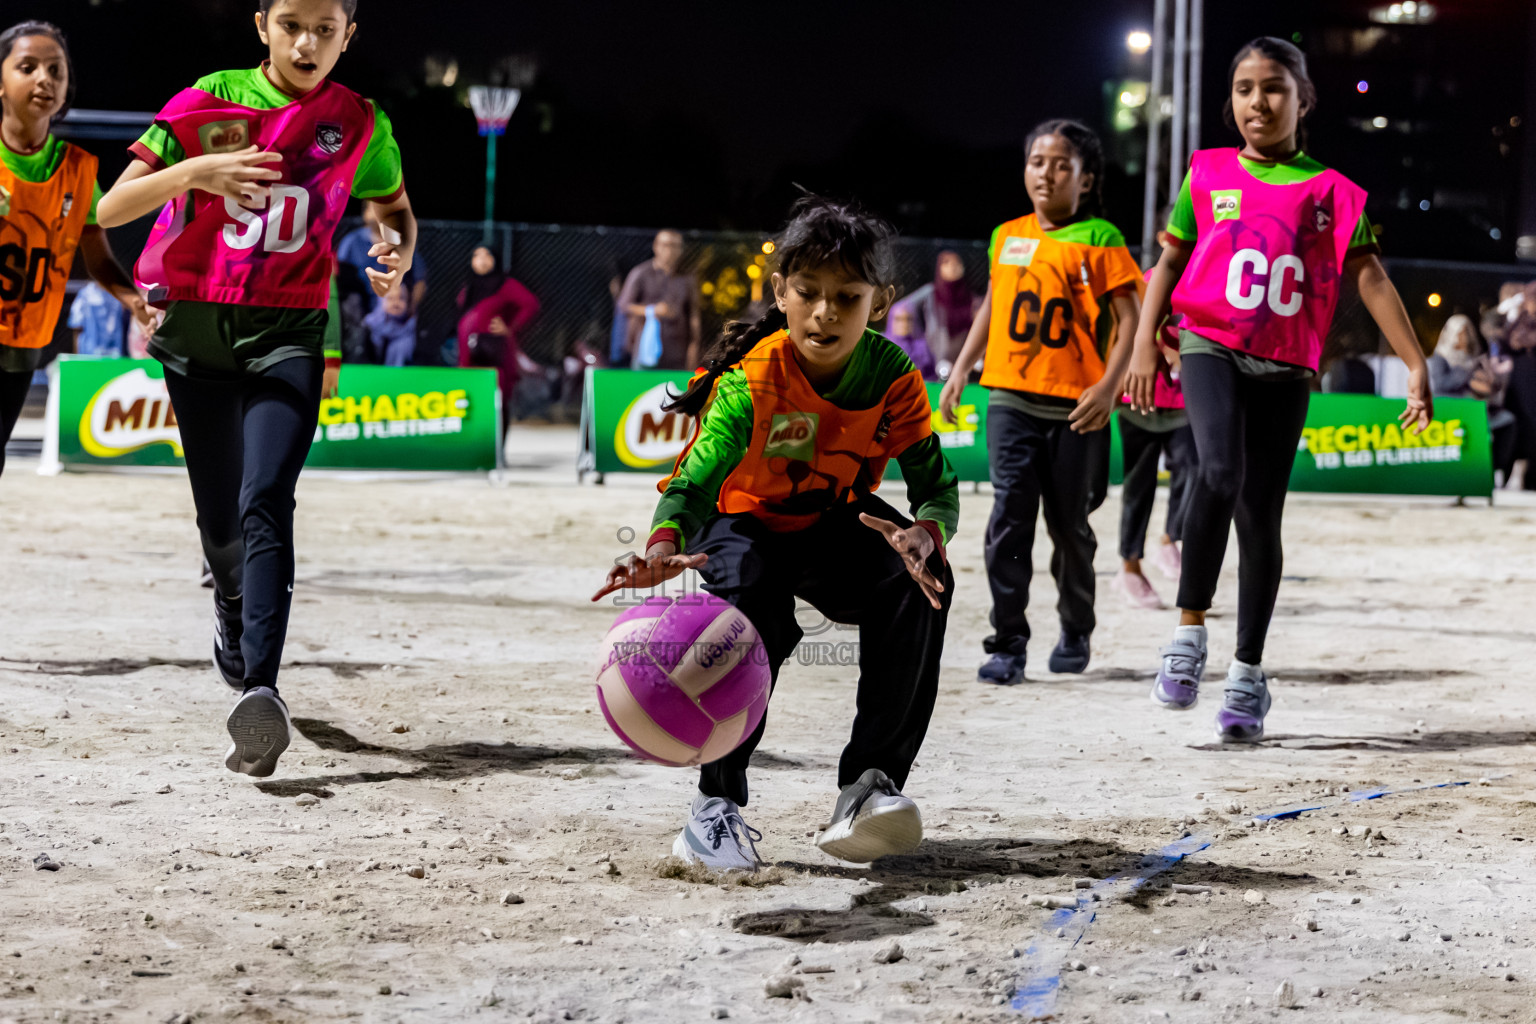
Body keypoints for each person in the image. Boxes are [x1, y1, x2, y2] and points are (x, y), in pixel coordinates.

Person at [97, 0, 416, 777]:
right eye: (292, 26)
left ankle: (261, 690)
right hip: (196, 331)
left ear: (348, 36)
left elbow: (394, 208)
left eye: (326, 30)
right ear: (262, 26)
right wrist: (193, 172)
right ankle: (230, 604)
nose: (308, 43)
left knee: (267, 495)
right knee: (221, 526)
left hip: (291, 331)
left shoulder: (359, 122)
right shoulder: (209, 98)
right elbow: (111, 208)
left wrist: (398, 249)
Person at [592, 195, 958, 870]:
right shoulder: (752, 380)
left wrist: (927, 534)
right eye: (809, 293)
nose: (825, 312)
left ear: (879, 303)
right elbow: (694, 482)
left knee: (920, 579)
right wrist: (663, 545)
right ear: (781, 293)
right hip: (743, 521)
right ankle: (713, 810)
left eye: (847, 297)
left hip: (831, 518)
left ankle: (869, 787)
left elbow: (937, 487)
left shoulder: (894, 377)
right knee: (752, 616)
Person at [1128, 37, 1432, 743]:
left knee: (1261, 515)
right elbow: (1168, 262)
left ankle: (1247, 674)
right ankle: (1188, 634)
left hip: (1289, 365)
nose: (1256, 102)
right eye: (1243, 88)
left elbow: (1371, 278)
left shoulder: (1335, 192)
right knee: (1218, 471)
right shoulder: (1206, 172)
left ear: (1303, 99)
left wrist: (1415, 363)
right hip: (1209, 344)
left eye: (1272, 88)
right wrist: (1145, 341)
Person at [939, 119, 1143, 685]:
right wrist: (962, 368)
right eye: (1036, 162)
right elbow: (993, 305)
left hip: (1077, 409)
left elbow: (1131, 321)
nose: (1046, 174)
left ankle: (1076, 625)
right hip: (1010, 398)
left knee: (1070, 526)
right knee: (1009, 518)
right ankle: (1008, 642)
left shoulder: (1101, 237)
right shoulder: (1006, 235)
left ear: (1085, 179)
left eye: (1061, 165)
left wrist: (1109, 387)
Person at [0, 21, 150, 478]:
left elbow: (97, 257)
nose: (44, 79)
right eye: (27, 67)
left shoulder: (78, 171)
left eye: (55, 70)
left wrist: (134, 301)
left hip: (25, 336)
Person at [1115, 229, 1197, 609]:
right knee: (1138, 485)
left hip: (1185, 401)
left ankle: (1170, 540)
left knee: (1193, 470)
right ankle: (1129, 566)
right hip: (1141, 397)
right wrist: (1166, 348)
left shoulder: (1209, 281)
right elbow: (1132, 330)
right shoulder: (1149, 280)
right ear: (1165, 239)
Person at [456, 244, 539, 426]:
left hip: (495, 355)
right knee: (472, 401)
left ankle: (497, 441)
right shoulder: (469, 288)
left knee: (497, 402)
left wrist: (511, 327)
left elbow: (531, 304)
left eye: (487, 255)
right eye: (477, 256)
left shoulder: (505, 285)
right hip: (469, 357)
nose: (482, 260)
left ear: (495, 259)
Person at [1429, 313, 1516, 485]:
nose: (1466, 337)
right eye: (1461, 332)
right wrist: (1465, 372)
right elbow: (1441, 384)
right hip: (1449, 408)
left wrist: (1490, 380)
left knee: (1507, 421)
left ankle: (1495, 468)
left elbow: (1484, 386)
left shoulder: (1475, 357)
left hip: (1475, 407)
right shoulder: (1440, 357)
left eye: (1468, 332)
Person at [618, 229, 701, 370]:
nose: (669, 250)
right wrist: (651, 310)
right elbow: (624, 305)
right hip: (644, 349)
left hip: (676, 350)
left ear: (681, 249)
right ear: (655, 246)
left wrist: (694, 346)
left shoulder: (687, 278)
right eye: (665, 244)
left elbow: (694, 313)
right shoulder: (641, 272)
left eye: (675, 245)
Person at [336, 202, 426, 311]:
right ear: (366, 214)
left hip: (394, 313)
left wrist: (410, 309)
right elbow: (338, 276)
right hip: (360, 312)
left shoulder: (403, 242)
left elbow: (419, 280)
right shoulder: (351, 241)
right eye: (375, 207)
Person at [67, 281, 129, 357]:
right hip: (89, 356)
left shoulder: (119, 295)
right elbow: (77, 328)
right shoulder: (84, 295)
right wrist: (77, 358)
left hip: (115, 355)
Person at [362, 286, 417, 366]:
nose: (396, 303)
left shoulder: (409, 327)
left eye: (401, 298)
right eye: (390, 298)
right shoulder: (369, 325)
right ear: (381, 301)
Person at [884, 299, 937, 379]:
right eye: (899, 319)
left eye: (908, 319)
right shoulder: (882, 345)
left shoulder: (923, 347)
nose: (904, 324)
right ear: (891, 321)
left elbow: (932, 376)